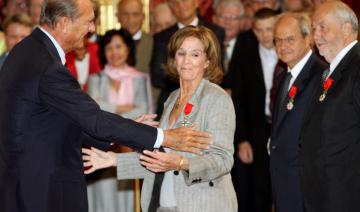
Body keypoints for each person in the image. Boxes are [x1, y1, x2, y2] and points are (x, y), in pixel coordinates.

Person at [0, 1, 211, 212]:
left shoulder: (29, 51)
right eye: (89, 22)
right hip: (40, 190)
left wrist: (123, 128)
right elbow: (94, 119)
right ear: (64, 23)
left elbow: (59, 120)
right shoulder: (46, 65)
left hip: (27, 183)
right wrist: (165, 137)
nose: (92, 29)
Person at [83, 25, 237, 212]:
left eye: (195, 54)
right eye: (181, 53)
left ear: (207, 61)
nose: (186, 61)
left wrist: (181, 163)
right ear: (174, 58)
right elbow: (159, 161)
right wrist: (113, 159)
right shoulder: (172, 99)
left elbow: (222, 160)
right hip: (163, 204)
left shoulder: (216, 98)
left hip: (202, 204)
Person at [299, 2, 360, 212]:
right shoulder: (332, 70)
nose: (316, 35)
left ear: (346, 29)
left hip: (346, 195)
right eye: (314, 28)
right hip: (325, 192)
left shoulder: (357, 66)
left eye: (323, 27)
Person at [86, 29, 153, 212]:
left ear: (128, 49)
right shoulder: (95, 79)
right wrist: (125, 109)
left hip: (129, 148)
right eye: (109, 48)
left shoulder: (140, 78)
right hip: (102, 147)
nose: (114, 52)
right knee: (102, 198)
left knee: (127, 198)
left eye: (118, 46)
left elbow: (144, 112)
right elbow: (94, 112)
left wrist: (109, 109)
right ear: (103, 52)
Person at [270, 12, 327, 212]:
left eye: (290, 39)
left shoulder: (322, 76)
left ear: (308, 38)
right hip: (283, 184)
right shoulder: (283, 76)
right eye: (277, 40)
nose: (282, 46)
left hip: (305, 187)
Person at [231, 8, 280, 212]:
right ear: (254, 30)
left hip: (282, 126)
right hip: (256, 129)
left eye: (270, 29)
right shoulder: (245, 50)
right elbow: (238, 99)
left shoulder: (288, 49)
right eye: (259, 30)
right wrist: (241, 140)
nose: (265, 35)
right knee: (258, 188)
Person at [151, 0, 225, 118]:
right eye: (176, 2)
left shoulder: (215, 32)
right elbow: (157, 76)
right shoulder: (162, 36)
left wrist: (193, 86)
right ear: (171, 7)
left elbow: (218, 67)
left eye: (185, 1)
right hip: (171, 99)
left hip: (206, 99)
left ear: (196, 3)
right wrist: (184, 83)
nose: (181, 6)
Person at [212, 0, 244, 93]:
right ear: (214, 19)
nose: (228, 22)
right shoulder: (206, 45)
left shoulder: (251, 46)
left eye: (233, 17)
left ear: (242, 21)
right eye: (223, 17)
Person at [117, 0, 153, 74]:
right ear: (118, 16)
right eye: (125, 14)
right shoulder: (107, 43)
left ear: (143, 17)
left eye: (135, 14)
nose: (130, 19)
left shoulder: (154, 43)